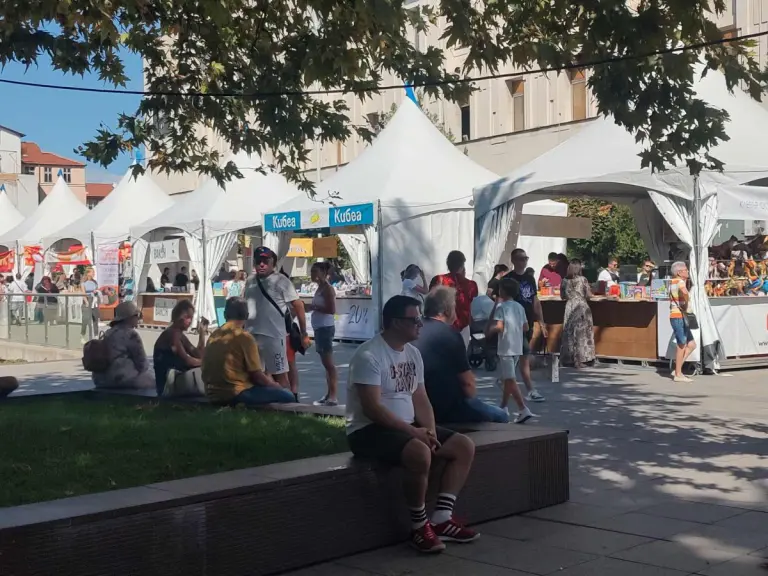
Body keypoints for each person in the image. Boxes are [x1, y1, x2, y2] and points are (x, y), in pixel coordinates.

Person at [346, 295, 479, 553]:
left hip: (406, 427)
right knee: (419, 452)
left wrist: (430, 432)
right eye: (415, 320)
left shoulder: (413, 353)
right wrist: (414, 433)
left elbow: (421, 398)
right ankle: (419, 526)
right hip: (368, 431)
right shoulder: (369, 355)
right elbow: (372, 409)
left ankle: (442, 518)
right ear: (396, 322)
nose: (421, 324)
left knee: (463, 446)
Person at [416, 287, 509, 424]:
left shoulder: (415, 329)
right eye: (454, 307)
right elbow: (468, 384)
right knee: (501, 415)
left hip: (417, 402)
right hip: (448, 407)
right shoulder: (450, 335)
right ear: (447, 310)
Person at [203, 297, 295, 405]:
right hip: (236, 393)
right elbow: (257, 376)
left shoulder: (213, 336)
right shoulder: (245, 337)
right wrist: (275, 386)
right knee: (287, 395)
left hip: (212, 393)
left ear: (224, 314)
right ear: (247, 315)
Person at [245, 246, 310, 388]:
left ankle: (287, 401)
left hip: (273, 336)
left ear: (272, 263)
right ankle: (264, 401)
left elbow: (298, 305)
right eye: (258, 261)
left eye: (265, 261)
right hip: (251, 335)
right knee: (256, 375)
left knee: (280, 376)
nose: (262, 264)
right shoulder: (250, 281)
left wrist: (304, 333)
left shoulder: (281, 280)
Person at [485, 278, 535, 422]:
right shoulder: (519, 307)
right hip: (517, 346)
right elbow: (525, 327)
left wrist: (490, 330)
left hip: (505, 347)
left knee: (509, 379)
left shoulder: (501, 307)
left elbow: (499, 326)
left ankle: (522, 408)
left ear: (502, 291)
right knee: (508, 378)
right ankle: (503, 406)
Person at [502, 248, 546, 403]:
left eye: (525, 258)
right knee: (523, 357)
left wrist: (541, 321)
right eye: (521, 259)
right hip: (513, 323)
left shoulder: (530, 279)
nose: (524, 261)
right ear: (513, 260)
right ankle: (530, 390)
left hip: (527, 321)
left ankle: (505, 382)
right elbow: (500, 301)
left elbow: (535, 301)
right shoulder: (508, 279)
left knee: (518, 357)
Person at [91, 301, 154, 390]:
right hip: (120, 379)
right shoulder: (131, 334)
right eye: (137, 315)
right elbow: (142, 364)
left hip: (101, 380)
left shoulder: (108, 332)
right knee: (153, 380)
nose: (138, 319)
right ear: (129, 318)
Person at [152, 299, 208, 395]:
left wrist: (202, 333)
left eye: (191, 318)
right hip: (167, 386)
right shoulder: (172, 334)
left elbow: (198, 354)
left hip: (175, 380)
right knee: (205, 373)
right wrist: (206, 363)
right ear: (179, 317)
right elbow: (188, 361)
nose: (190, 321)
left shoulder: (179, 334)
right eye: (187, 317)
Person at [307, 262, 339, 406]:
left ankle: (333, 395)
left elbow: (331, 309)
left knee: (329, 364)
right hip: (319, 328)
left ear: (323, 273)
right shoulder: (319, 288)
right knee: (326, 364)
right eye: (311, 271)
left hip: (325, 328)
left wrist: (314, 307)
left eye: (315, 271)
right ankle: (329, 393)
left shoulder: (327, 289)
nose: (312, 274)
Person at [429, 250, 478, 347]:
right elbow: (471, 299)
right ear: (462, 265)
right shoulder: (471, 285)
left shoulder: (438, 280)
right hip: (463, 325)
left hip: (442, 325)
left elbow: (431, 300)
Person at [560, 260, 595, 368]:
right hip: (581, 306)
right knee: (582, 333)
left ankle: (568, 358)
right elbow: (588, 295)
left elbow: (562, 296)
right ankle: (581, 359)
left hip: (569, 306)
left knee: (569, 333)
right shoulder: (583, 279)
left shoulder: (564, 280)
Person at [669, 261, 696, 383]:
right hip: (679, 315)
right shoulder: (680, 282)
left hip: (676, 316)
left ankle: (677, 368)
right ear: (679, 272)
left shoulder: (672, 282)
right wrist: (685, 304)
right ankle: (678, 374)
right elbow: (684, 292)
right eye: (685, 270)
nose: (687, 271)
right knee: (682, 344)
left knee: (691, 344)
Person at [79, 267, 100, 343]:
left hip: (94, 301)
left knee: (95, 319)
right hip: (87, 301)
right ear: (88, 273)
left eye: (94, 272)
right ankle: (82, 336)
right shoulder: (83, 283)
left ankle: (96, 336)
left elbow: (97, 290)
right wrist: (86, 302)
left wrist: (96, 292)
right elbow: (83, 293)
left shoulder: (95, 282)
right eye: (92, 272)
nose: (93, 273)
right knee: (85, 319)